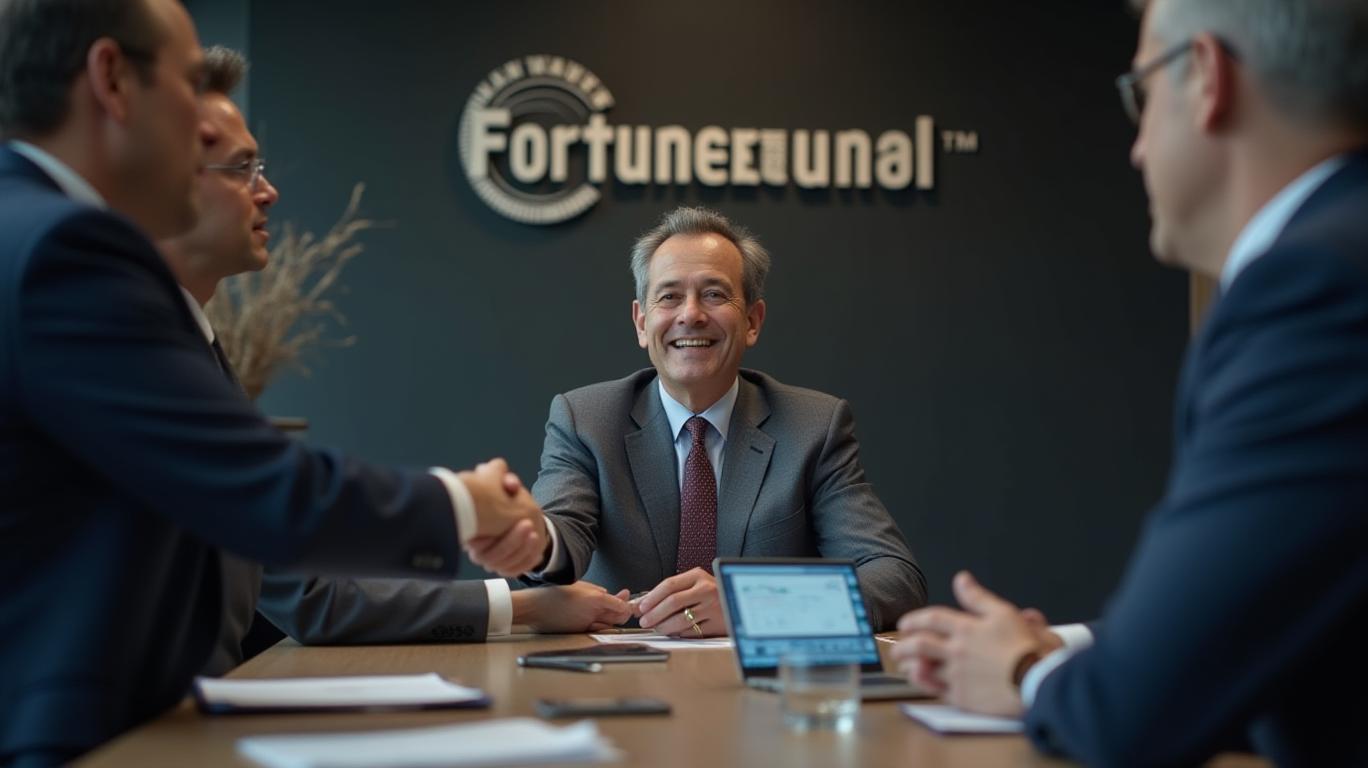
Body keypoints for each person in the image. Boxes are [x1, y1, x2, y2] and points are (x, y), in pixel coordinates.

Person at [0, 2, 544, 763]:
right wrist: (465, 502)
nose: (199, 126)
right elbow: (261, 491)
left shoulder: (35, 233)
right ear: (112, 79)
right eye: (188, 84)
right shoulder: (66, 249)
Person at [892, 0, 1368, 764]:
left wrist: (1022, 673)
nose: (1138, 149)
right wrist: (1064, 646)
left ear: (1206, 77)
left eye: (1141, 94)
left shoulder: (1315, 290)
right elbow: (1257, 612)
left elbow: (1132, 718)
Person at [152, 47, 631, 674]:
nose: (268, 191)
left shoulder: (196, 345)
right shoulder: (135, 339)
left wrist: (526, 603)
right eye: (242, 169)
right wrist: (465, 505)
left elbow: (301, 586)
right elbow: (297, 561)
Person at [527, 205, 927, 636]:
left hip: (757, 673)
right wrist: (527, 539)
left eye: (715, 295)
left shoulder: (813, 427)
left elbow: (895, 579)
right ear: (642, 323)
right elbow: (556, 543)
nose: (691, 314)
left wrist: (748, 606)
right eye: (669, 296)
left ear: (752, 321)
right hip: (622, 667)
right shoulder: (586, 420)